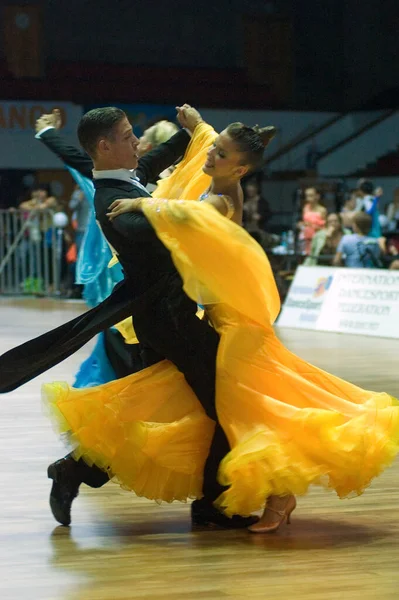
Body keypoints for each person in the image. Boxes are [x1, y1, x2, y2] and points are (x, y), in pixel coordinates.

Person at [39, 116, 399, 534]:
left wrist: (155, 187)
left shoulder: (204, 195)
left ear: (239, 167)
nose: (210, 154)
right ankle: (227, 500)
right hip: (173, 318)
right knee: (218, 408)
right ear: (103, 148)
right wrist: (197, 136)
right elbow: (173, 211)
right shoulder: (111, 199)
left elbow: (190, 211)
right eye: (125, 136)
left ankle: (91, 471)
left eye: (220, 153)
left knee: (187, 405)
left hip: (214, 319)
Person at [298, 187, 327, 255]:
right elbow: (304, 222)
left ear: (317, 196)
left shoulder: (322, 210)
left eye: (311, 195)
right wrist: (301, 224)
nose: (308, 198)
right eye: (307, 196)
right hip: (305, 237)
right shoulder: (305, 208)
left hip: (317, 238)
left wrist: (312, 226)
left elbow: (325, 228)